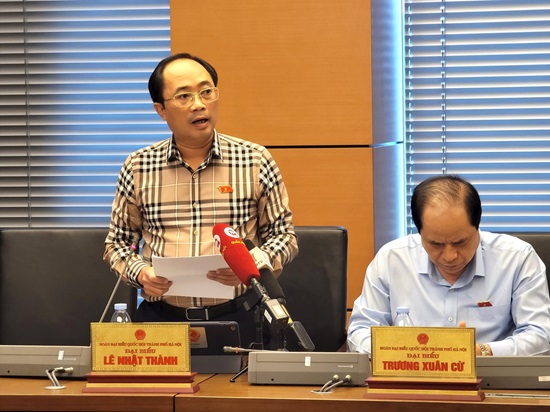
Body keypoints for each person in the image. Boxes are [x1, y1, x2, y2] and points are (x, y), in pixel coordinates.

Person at [103, 52, 298, 348]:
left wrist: (251, 264)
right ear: (161, 109)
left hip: (243, 318)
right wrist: (141, 273)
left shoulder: (255, 160)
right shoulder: (138, 166)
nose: (199, 104)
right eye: (184, 96)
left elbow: (284, 237)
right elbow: (117, 243)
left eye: (206, 92)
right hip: (162, 321)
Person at [347, 175, 550, 357]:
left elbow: (540, 336)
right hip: (410, 377)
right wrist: (405, 353)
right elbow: (360, 331)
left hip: (492, 379)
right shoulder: (392, 259)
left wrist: (482, 352)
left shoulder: (517, 259)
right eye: (435, 244)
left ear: (477, 227)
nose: (450, 256)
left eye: (460, 242)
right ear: (419, 233)